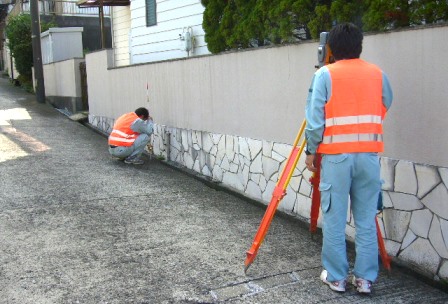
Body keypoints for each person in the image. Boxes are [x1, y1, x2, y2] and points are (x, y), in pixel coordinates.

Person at [304, 23, 393, 294]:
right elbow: (386, 101)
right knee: (366, 220)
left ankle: (337, 277)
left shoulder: (325, 76)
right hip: (368, 156)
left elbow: (315, 118)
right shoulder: (378, 74)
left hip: (335, 159)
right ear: (360, 45)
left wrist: (311, 150)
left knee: (334, 219)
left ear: (330, 47)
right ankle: (365, 280)